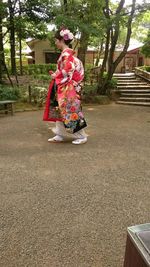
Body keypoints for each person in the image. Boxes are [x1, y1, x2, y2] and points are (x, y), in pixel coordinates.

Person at [43, 27, 87, 145]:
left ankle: (81, 136)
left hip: (67, 87)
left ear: (62, 40)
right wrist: (58, 75)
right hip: (64, 85)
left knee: (71, 110)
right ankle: (60, 134)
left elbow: (68, 69)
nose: (55, 43)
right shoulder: (66, 53)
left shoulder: (67, 53)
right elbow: (66, 69)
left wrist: (56, 76)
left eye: (56, 40)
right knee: (60, 110)